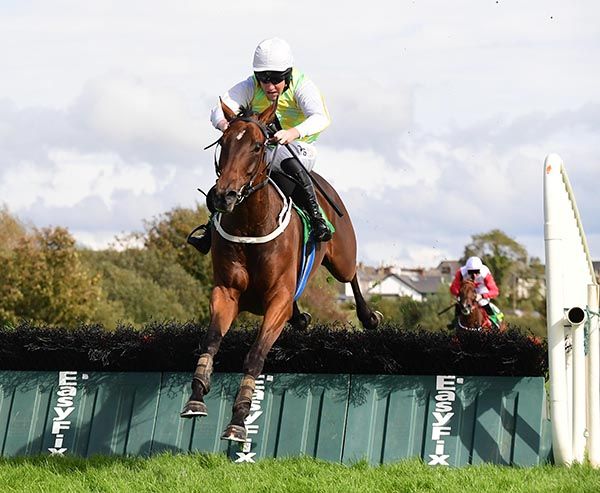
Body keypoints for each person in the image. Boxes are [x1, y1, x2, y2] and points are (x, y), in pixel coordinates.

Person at [188, 37, 332, 255]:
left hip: (300, 147)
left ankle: (316, 217)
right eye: (263, 78)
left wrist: (292, 133)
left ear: (288, 74)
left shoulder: (302, 86)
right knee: (236, 163)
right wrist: (228, 127)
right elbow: (218, 109)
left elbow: (320, 118)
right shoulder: (250, 86)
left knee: (283, 157)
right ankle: (211, 227)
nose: (269, 86)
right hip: (263, 148)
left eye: (276, 79)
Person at [449, 256, 503, 328]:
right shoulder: (460, 273)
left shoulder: (485, 274)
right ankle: (455, 323)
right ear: (467, 270)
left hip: (481, 291)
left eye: (477, 272)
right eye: (471, 272)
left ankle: (494, 321)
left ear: (480, 269)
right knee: (460, 303)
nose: (474, 275)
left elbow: (495, 291)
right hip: (467, 292)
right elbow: (453, 288)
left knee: (483, 303)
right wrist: (461, 294)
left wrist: (482, 296)